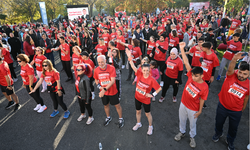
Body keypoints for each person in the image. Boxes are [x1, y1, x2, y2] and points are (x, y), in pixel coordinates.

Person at [174, 42, 209, 148]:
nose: (193, 77)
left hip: (193, 108)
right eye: (193, 75)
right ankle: (182, 132)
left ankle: (192, 137)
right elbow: (186, 62)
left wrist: (200, 110)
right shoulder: (190, 76)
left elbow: (203, 99)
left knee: (193, 124)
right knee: (182, 120)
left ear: (202, 76)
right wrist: (181, 49)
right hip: (183, 103)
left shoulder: (204, 87)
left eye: (196, 76)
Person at [212, 52, 249, 150]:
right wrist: (234, 59)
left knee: (233, 128)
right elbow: (229, 70)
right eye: (240, 72)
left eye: (245, 74)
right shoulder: (231, 75)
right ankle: (218, 133)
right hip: (222, 107)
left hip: (236, 111)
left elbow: (246, 97)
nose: (241, 75)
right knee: (219, 122)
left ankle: (230, 140)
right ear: (238, 70)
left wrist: (243, 108)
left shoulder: (249, 84)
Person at [126, 49, 161, 135]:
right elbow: (133, 67)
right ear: (141, 69)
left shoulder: (152, 79)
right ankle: (138, 123)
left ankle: (150, 126)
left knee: (147, 114)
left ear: (149, 70)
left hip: (146, 100)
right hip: (137, 97)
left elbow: (159, 88)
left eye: (147, 71)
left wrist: (152, 95)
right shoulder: (139, 74)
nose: (145, 72)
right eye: (144, 70)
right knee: (138, 111)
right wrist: (130, 57)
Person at [94, 55, 124, 128]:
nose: (101, 64)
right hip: (103, 92)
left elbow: (112, 81)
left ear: (105, 61)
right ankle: (108, 117)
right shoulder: (96, 70)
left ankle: (121, 118)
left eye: (102, 62)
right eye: (99, 62)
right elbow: (96, 80)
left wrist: (104, 90)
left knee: (117, 105)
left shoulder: (111, 68)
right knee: (106, 105)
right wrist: (99, 87)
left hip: (112, 91)